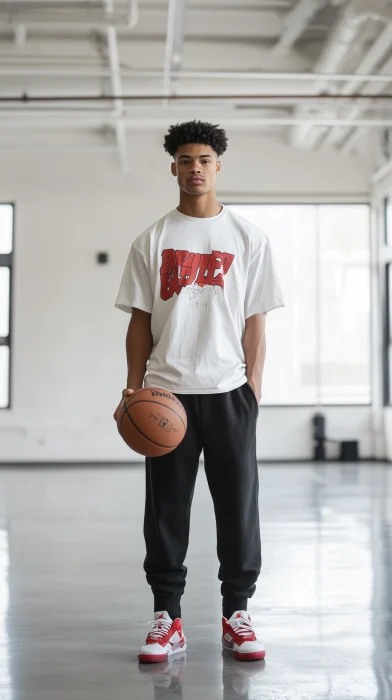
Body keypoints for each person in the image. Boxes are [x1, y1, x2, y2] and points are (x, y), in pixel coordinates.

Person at [114, 120, 284, 664]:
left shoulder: (248, 237)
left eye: (204, 159)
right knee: (166, 510)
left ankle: (238, 613)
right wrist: (133, 386)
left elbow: (255, 323)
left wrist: (252, 390)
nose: (195, 168)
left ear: (218, 166)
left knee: (239, 507)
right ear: (173, 168)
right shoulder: (153, 238)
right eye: (185, 160)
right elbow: (140, 322)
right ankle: (167, 617)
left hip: (229, 390)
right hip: (167, 395)